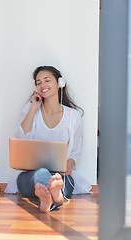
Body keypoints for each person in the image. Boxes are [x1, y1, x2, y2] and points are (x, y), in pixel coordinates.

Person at [6, 65, 91, 212]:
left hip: (60, 175)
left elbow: (75, 153)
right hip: (31, 175)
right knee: (41, 174)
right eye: (38, 82)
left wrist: (69, 166)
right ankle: (56, 197)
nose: (42, 85)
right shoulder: (30, 109)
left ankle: (49, 199)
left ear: (60, 83)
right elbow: (21, 136)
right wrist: (34, 107)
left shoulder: (73, 116)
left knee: (60, 180)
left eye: (47, 80)